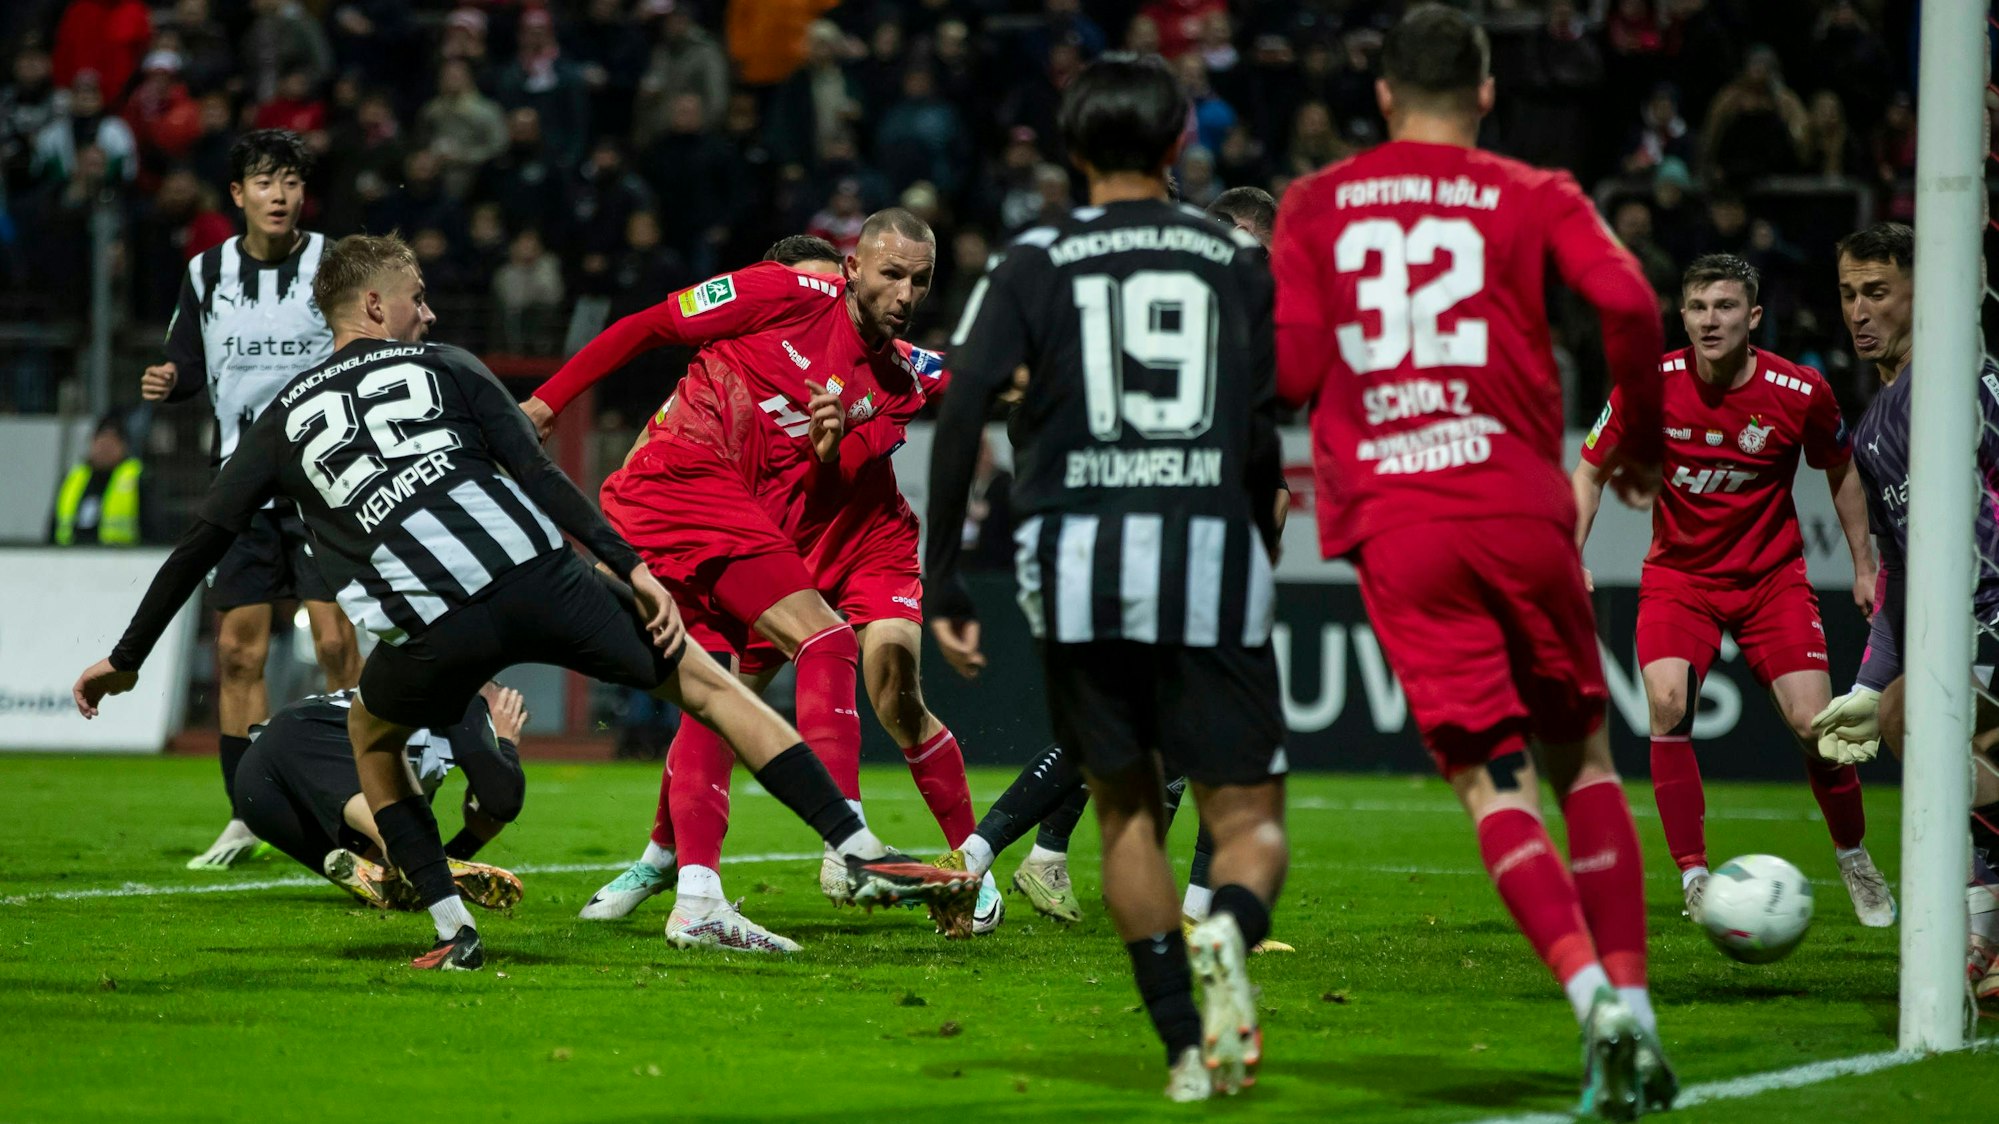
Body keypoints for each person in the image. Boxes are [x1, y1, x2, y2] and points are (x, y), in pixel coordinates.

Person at [72, 233, 975, 972]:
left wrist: (128, 656)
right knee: (711, 686)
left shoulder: (278, 422)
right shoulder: (450, 366)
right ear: (375, 308)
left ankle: (448, 926)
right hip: (544, 578)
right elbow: (538, 473)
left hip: (426, 623)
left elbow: (202, 543)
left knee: (370, 742)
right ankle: (852, 843)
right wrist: (631, 567)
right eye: (417, 295)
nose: (429, 310)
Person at [1269, 7, 1674, 1117]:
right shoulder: (1533, 192)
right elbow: (1632, 300)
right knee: (1584, 759)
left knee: (1492, 780)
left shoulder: (1314, 204)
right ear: (1488, 92)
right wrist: (1635, 431)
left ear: (1384, 98)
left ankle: (1585, 991)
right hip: (1516, 498)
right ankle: (1632, 1008)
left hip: (1398, 518)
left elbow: (1294, 369)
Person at [927, 55, 1290, 1102]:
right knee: (1247, 816)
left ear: (1076, 149)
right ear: (1178, 144)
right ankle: (1223, 928)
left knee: (1126, 807)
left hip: (1076, 562)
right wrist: (1253, 541)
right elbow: (1261, 428)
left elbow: (960, 409)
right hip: (1204, 553)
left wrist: (943, 575)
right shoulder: (1236, 255)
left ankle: (1182, 1044)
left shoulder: (1035, 253)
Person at [524, 211, 950, 948]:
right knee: (826, 640)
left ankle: (693, 894)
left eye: (919, 280)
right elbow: (645, 327)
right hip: (683, 486)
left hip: (708, 515)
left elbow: (949, 372)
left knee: (713, 699)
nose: (905, 291)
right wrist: (544, 401)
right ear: (845, 271)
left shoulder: (869, 366)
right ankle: (848, 842)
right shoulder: (776, 294)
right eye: (890, 273)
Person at [1574, 253, 1893, 927]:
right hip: (1679, 578)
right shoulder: (1645, 386)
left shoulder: (1799, 391)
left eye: (1722, 308)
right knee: (1664, 703)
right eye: (1696, 308)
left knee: (1815, 727)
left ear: (1751, 317)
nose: (1707, 321)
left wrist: (1863, 565)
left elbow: (1840, 472)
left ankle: (1852, 853)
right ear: (1681, 316)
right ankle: (1694, 876)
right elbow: (1587, 470)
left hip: (1770, 581)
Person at [140, 128, 362, 873]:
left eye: (292, 181)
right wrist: (170, 378)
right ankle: (247, 814)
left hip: (324, 481)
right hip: (239, 481)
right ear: (237, 195)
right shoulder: (206, 272)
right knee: (239, 651)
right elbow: (189, 359)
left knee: (336, 644)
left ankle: (359, 800)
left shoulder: (333, 265)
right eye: (265, 182)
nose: (280, 194)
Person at [1808, 222, 1999, 1000]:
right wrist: (1862, 680)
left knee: (1922, 721)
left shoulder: (1963, 382)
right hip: (1959, 628)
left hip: (1993, 613)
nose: (1859, 310)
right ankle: (1981, 936)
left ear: (1927, 290)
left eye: (1877, 292)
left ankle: (1978, 931)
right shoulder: (1872, 428)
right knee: (1903, 719)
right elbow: (1898, 574)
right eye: (1849, 293)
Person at [236, 683, 527, 912]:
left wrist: (472, 838)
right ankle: (407, 857)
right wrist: (506, 743)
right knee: (404, 847)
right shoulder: (466, 698)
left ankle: (405, 861)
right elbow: (503, 800)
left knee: (392, 881)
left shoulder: (419, 756)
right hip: (301, 739)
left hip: (260, 793)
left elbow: (407, 856)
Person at [49, 411, 158, 546]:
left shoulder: (137, 479)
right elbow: (53, 529)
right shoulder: (73, 477)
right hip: (69, 558)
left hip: (122, 559)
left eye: (112, 443)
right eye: (101, 442)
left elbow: (154, 532)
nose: (104, 449)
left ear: (124, 447)